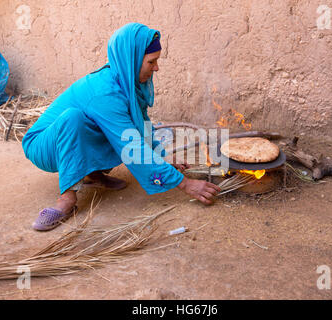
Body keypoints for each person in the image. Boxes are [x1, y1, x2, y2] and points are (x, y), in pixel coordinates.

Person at [22, 23, 221, 231]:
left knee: (116, 127)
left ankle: (92, 175)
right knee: (76, 119)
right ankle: (67, 198)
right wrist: (185, 184)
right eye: (151, 61)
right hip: (44, 145)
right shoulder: (105, 92)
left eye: (157, 61)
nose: (156, 68)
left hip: (71, 137)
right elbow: (132, 145)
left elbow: (142, 126)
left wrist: (162, 158)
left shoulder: (127, 82)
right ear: (132, 59)